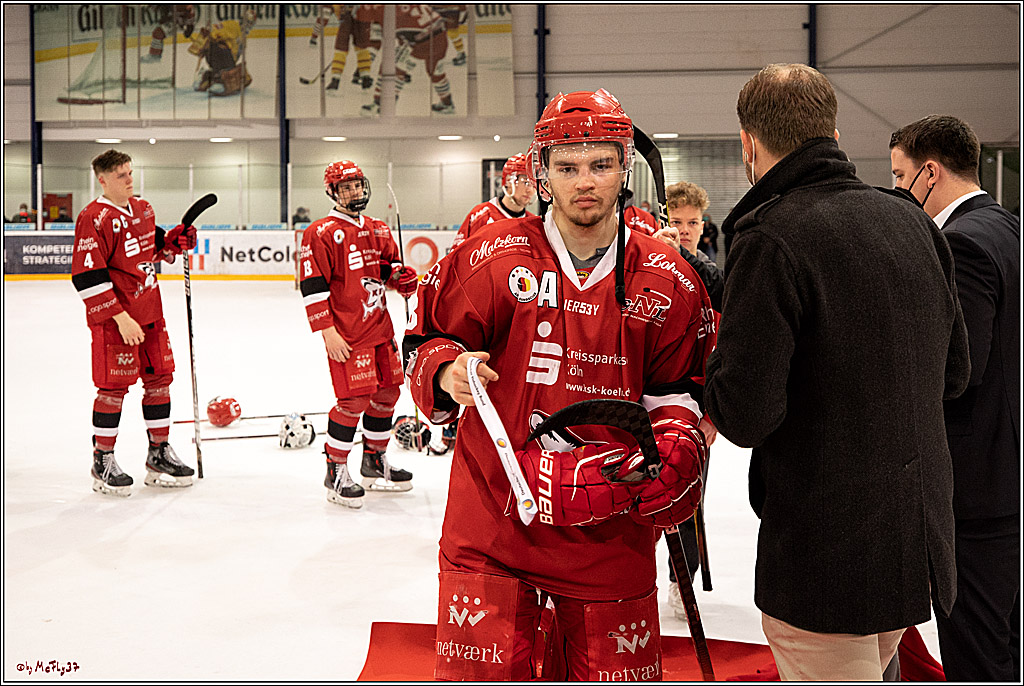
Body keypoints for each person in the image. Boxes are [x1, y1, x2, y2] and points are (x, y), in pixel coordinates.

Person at [404, 88, 715, 680]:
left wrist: (679, 444)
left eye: (601, 165)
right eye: (568, 168)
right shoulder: (489, 258)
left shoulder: (668, 278)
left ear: (625, 169)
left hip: (612, 528)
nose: (585, 182)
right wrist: (446, 371)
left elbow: (679, 387)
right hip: (493, 522)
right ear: (542, 173)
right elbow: (426, 340)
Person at [703, 64, 970, 681]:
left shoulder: (771, 237)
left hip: (827, 553)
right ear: (835, 134)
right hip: (915, 539)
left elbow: (745, 414)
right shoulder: (911, 219)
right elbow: (954, 374)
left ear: (748, 143)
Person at [890, 115, 1020, 682]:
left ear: (930, 172)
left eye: (900, 177)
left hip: (977, 486)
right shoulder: (1008, 227)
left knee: (977, 653)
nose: (897, 190)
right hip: (1005, 473)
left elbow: (958, 369)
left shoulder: (960, 243)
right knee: (1006, 640)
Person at [71, 149, 199, 496]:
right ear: (103, 180)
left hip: (151, 313)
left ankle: (159, 453)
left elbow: (153, 248)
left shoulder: (143, 208)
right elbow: (87, 276)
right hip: (117, 320)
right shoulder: (93, 218)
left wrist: (175, 242)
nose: (130, 179)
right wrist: (121, 318)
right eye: (121, 175)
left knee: (160, 380)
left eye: (130, 172)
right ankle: (103, 459)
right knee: (113, 388)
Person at [299, 160, 419, 509]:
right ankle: (335, 470)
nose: (354, 192)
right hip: (348, 334)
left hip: (380, 329)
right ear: (332, 192)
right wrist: (327, 331)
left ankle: (374, 461)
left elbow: (388, 270)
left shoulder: (378, 228)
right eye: (346, 187)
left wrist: (401, 279)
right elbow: (313, 286)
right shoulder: (321, 232)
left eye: (357, 185)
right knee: (353, 402)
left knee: (388, 393)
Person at [663, 180, 724, 620]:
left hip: (691, 398)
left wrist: (712, 414)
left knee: (687, 495)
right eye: (677, 221)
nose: (685, 230)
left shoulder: (712, 275)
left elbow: (722, 347)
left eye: (692, 222)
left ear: (703, 226)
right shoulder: (644, 261)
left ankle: (681, 579)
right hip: (645, 395)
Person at [451, 152, 535, 249]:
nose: (530, 190)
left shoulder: (533, 224)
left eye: (534, 185)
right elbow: (457, 253)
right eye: (526, 183)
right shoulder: (480, 216)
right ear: (508, 181)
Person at [188, 9, 256, 96]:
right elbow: (215, 29)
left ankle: (207, 77)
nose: (248, 25)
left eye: (250, 23)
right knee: (222, 48)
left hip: (224, 62)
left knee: (231, 69)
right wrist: (210, 34)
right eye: (247, 22)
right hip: (217, 54)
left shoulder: (243, 40)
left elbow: (235, 57)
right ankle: (219, 81)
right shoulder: (232, 25)